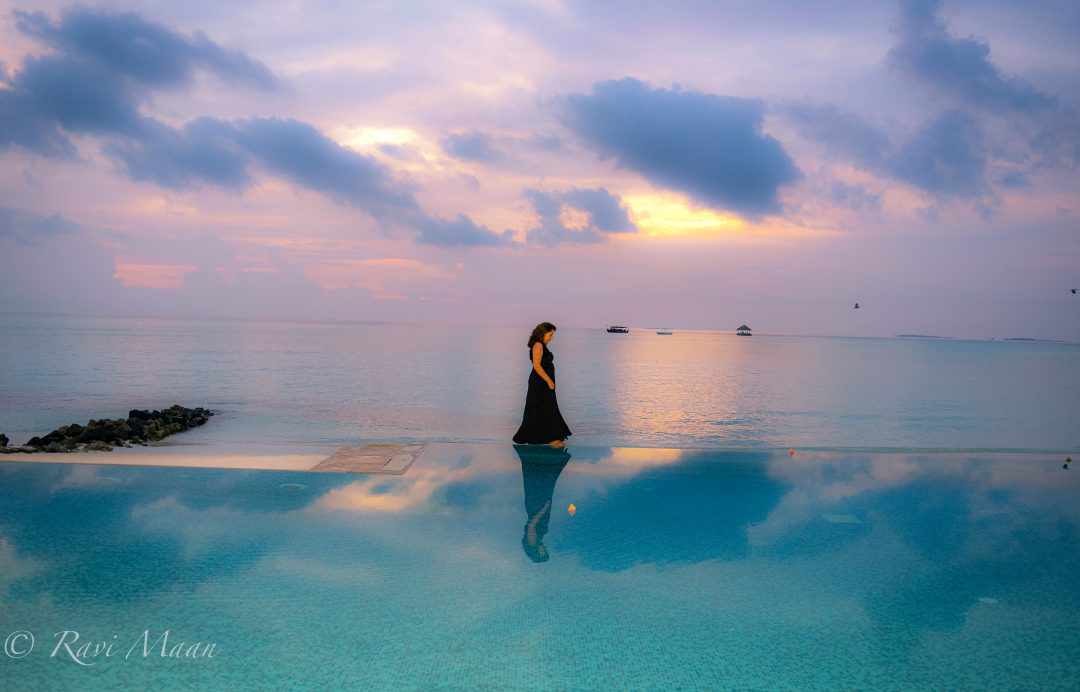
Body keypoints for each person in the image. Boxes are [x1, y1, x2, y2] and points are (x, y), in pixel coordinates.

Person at [512, 322, 572, 446]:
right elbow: (537, 365)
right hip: (540, 383)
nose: (551, 337)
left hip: (542, 382)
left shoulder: (541, 345)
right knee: (544, 409)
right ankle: (551, 439)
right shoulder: (538, 345)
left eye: (552, 335)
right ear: (542, 333)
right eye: (550, 335)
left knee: (545, 409)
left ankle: (548, 438)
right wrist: (549, 380)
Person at [514, 444, 572, 563]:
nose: (544, 549)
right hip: (536, 504)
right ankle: (544, 452)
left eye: (543, 552)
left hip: (537, 506)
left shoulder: (532, 542)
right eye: (545, 551)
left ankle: (541, 451)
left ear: (537, 553)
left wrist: (543, 509)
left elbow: (531, 525)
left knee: (540, 480)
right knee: (542, 479)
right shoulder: (538, 539)